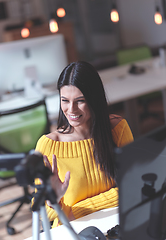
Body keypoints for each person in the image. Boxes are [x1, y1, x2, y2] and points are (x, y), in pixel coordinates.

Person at [34, 61, 134, 228]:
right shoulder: (48, 146)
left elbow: (131, 186)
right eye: (64, 100)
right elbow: (39, 208)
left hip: (116, 224)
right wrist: (55, 200)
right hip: (72, 231)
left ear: (94, 99)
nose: (71, 110)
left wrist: (76, 211)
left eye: (80, 101)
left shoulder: (118, 129)